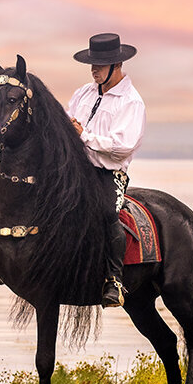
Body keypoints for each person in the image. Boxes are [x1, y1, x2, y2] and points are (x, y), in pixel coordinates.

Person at [66, 32, 146, 308]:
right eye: (92, 63)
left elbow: (122, 146)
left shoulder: (131, 102)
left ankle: (114, 280)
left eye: (99, 64)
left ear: (117, 64)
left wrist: (84, 135)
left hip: (108, 175)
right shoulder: (82, 93)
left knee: (105, 211)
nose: (94, 69)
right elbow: (67, 125)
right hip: (76, 170)